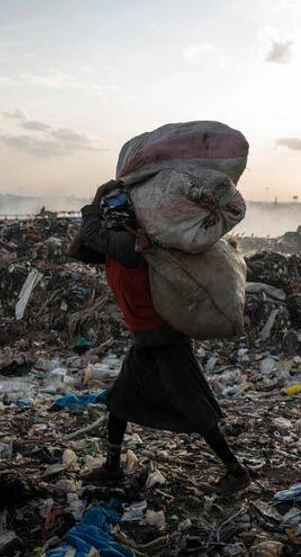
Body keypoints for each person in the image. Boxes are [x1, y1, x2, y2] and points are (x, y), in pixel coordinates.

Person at [77, 179, 250, 495]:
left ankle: (236, 471)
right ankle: (112, 467)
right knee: (119, 402)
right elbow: (83, 245)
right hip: (147, 338)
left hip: (165, 338)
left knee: (197, 409)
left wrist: (98, 194)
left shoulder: (130, 247)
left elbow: (89, 233)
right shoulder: (123, 246)